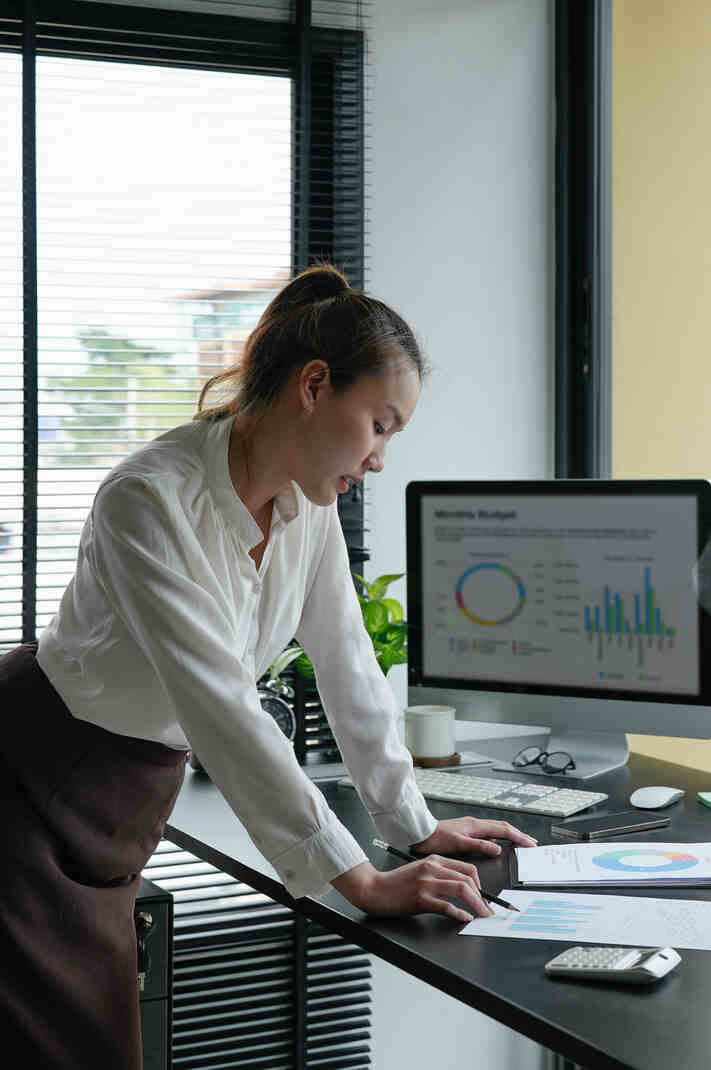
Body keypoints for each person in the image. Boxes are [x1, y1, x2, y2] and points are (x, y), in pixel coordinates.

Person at [0, 264, 537, 1069]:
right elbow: (221, 705)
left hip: (116, 805)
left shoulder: (306, 510)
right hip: (27, 787)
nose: (383, 458)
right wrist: (358, 880)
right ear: (315, 385)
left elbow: (348, 664)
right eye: (381, 425)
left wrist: (413, 827)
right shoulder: (146, 500)